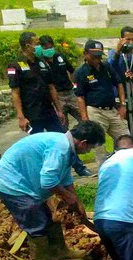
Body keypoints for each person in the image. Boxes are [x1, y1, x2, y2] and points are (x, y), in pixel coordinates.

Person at [0, 120, 106, 260]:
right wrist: (66, 195)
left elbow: (65, 177)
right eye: (91, 147)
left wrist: (76, 200)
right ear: (83, 143)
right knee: (37, 223)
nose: (88, 151)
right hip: (12, 184)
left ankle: (60, 252)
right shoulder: (60, 148)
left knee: (49, 219)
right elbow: (48, 182)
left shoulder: (65, 145)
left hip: (25, 183)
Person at [39, 35, 93, 177]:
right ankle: (73, 166)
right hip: (57, 96)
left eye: (50, 46)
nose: (49, 49)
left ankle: (85, 147)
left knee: (85, 121)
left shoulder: (59, 57)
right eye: (46, 47)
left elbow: (72, 70)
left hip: (70, 92)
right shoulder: (41, 63)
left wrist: (75, 85)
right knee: (62, 132)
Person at [75, 39, 130, 164]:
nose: (97, 59)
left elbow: (119, 84)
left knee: (125, 137)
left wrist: (122, 105)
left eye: (99, 56)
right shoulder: (81, 72)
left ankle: (126, 164)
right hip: (95, 111)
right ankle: (104, 171)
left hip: (111, 109)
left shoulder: (106, 67)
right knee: (98, 144)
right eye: (94, 56)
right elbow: (80, 97)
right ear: (85, 54)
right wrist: (84, 117)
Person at [7, 32, 66, 134]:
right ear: (27, 46)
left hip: (48, 110)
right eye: (36, 43)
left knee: (60, 136)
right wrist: (21, 117)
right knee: (37, 143)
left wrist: (59, 110)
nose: (39, 46)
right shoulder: (15, 65)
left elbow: (51, 87)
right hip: (31, 113)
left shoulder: (42, 62)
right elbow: (15, 92)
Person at [108, 26, 133, 149]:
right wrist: (118, 51)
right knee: (121, 132)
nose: (130, 42)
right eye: (127, 39)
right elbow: (109, 68)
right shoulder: (113, 54)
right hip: (119, 99)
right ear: (121, 39)